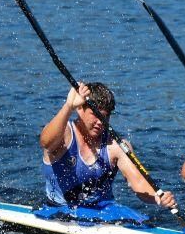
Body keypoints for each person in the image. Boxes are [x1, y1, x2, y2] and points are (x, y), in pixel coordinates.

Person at [38, 82, 175, 221]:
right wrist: (68, 106)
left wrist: (157, 198)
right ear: (80, 109)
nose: (100, 122)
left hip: (103, 211)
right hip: (58, 211)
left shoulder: (116, 146)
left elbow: (138, 182)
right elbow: (46, 143)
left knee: (141, 221)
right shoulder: (64, 134)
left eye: (104, 117)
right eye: (95, 115)